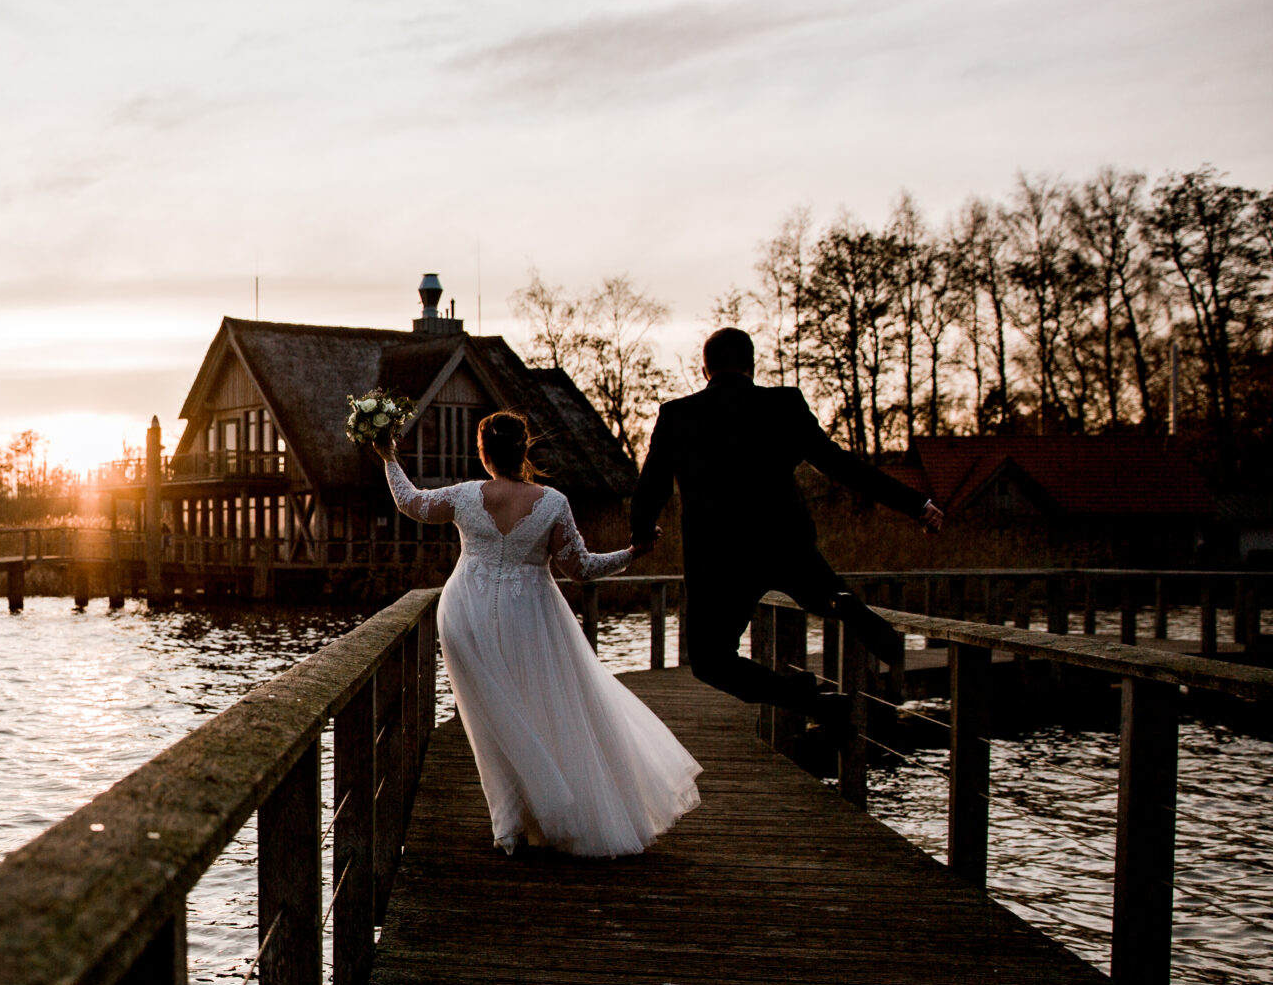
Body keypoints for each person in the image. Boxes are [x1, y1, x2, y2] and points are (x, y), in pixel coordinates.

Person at [375, 411, 700, 858]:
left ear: (483, 453)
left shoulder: (467, 496)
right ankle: (537, 813)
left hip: (466, 612)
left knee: (491, 716)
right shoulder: (552, 503)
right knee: (541, 705)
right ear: (524, 450)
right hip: (530, 615)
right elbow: (580, 569)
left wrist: (389, 456)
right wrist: (631, 553)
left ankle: (511, 823)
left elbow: (410, 502)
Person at [629, 327, 944, 728]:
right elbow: (841, 466)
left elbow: (651, 486)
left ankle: (807, 700)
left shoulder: (678, 414)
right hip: (786, 544)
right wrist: (917, 503)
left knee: (712, 661)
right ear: (752, 365)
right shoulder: (784, 403)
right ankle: (840, 603)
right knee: (820, 593)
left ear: (704, 369)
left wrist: (642, 533)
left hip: (718, 559)